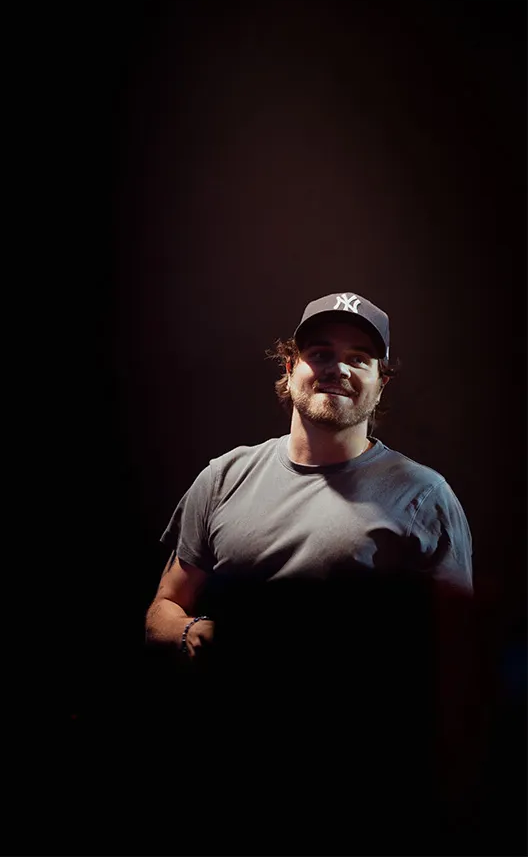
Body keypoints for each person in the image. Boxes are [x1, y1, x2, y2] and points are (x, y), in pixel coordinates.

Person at [144, 291, 476, 856]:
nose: (337, 368)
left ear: (381, 382)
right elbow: (162, 609)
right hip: (224, 775)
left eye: (359, 358)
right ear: (290, 366)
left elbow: (459, 661)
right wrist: (192, 633)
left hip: (360, 791)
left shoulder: (424, 496)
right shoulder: (224, 477)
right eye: (320, 352)